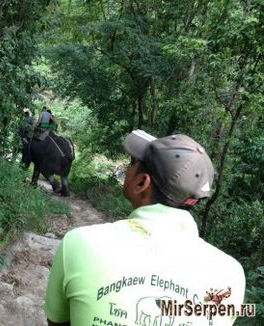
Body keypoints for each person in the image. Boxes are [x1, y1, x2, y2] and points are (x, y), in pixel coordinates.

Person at [44, 129, 245, 326]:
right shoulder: (232, 274)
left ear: (141, 182)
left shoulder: (79, 242)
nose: (130, 167)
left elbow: (57, 322)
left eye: (135, 163)